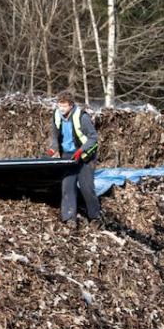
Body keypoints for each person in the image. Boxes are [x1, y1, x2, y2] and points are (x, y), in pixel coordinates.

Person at [47, 91, 101, 227]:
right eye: (60, 106)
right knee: (67, 186)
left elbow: (93, 138)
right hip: (67, 157)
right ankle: (69, 218)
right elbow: (55, 136)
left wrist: (80, 151)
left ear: (71, 105)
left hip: (85, 156)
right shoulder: (56, 116)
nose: (61, 109)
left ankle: (95, 216)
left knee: (86, 187)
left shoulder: (82, 117)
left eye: (64, 106)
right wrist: (53, 148)